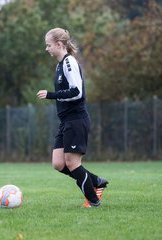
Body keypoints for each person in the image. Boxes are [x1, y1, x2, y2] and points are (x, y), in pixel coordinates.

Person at [37, 28, 108, 207]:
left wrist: (51, 95)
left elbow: (77, 92)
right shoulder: (59, 65)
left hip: (76, 120)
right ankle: (96, 181)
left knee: (72, 163)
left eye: (48, 45)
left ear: (59, 44)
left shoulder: (69, 62)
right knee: (58, 163)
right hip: (66, 121)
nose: (47, 49)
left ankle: (93, 200)